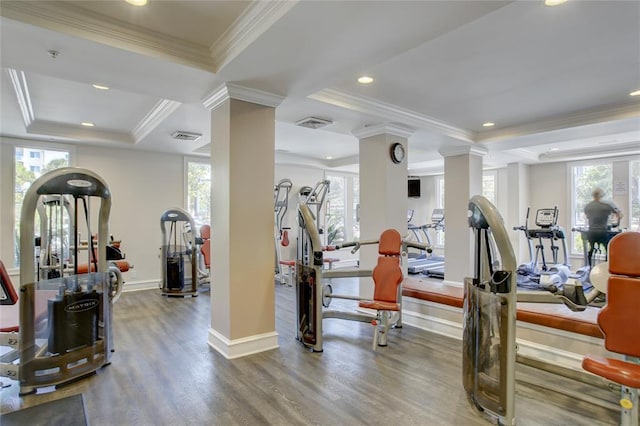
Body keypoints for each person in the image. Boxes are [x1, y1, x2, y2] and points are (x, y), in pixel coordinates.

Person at [584, 188, 623, 266]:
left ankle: (589, 267)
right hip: (603, 232)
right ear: (601, 196)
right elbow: (620, 215)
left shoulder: (588, 206)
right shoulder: (607, 205)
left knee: (591, 250)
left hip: (591, 232)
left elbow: (586, 216)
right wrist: (616, 224)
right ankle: (606, 267)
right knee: (607, 250)